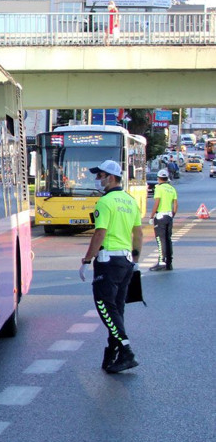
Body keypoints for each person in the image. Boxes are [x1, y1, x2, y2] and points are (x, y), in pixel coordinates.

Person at [79, 160, 143, 374]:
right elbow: (139, 233)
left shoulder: (105, 202)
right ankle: (114, 349)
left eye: (101, 175)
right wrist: (135, 259)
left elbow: (100, 233)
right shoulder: (130, 201)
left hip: (108, 261)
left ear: (112, 177)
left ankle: (126, 351)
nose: (98, 179)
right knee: (117, 307)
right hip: (125, 261)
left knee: (105, 306)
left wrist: (87, 259)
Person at [148, 169, 177, 271]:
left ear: (159, 178)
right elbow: (175, 205)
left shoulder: (159, 188)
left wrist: (151, 216)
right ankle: (169, 262)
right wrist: (171, 215)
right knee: (168, 239)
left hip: (160, 216)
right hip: (169, 216)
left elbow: (157, 203)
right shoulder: (172, 189)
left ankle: (161, 262)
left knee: (161, 240)